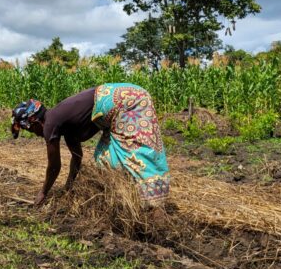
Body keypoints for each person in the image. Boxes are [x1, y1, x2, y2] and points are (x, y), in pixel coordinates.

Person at [11, 83, 169, 207]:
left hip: (127, 101)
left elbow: (54, 166)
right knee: (104, 158)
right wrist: (69, 188)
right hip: (125, 99)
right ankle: (130, 199)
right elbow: (77, 158)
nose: (34, 133)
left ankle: (154, 207)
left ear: (33, 120)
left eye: (30, 129)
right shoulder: (65, 125)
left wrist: (43, 193)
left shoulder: (50, 123)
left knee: (135, 153)